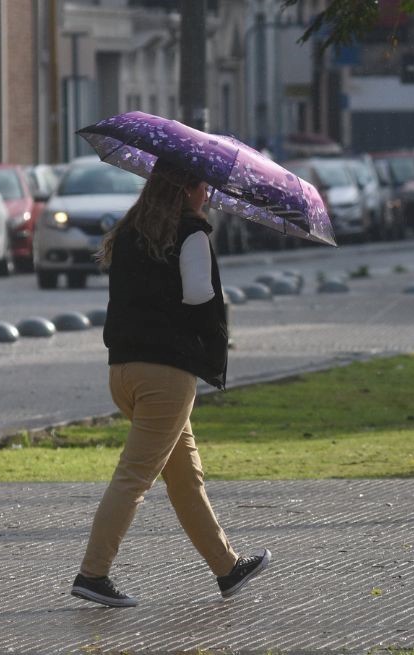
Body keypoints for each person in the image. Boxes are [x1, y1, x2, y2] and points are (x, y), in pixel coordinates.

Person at [70, 160, 270, 608]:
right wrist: (216, 326)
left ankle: (226, 568)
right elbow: (199, 295)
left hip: (123, 371)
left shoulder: (129, 233)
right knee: (135, 476)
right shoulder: (190, 233)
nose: (207, 196)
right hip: (167, 377)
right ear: (186, 190)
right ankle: (93, 574)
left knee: (185, 476)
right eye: (203, 188)